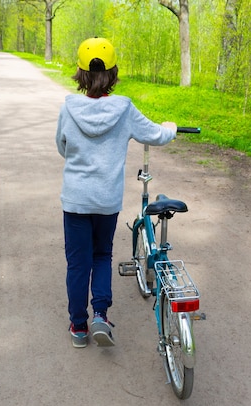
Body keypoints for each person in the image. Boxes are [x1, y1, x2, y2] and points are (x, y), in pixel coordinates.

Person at [55, 37, 177, 348]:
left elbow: (62, 147)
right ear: (114, 73)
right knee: (101, 255)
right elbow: (156, 134)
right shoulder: (124, 110)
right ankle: (100, 315)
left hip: (76, 199)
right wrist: (171, 127)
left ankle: (78, 328)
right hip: (106, 201)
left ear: (80, 74)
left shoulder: (69, 109)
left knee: (77, 262)